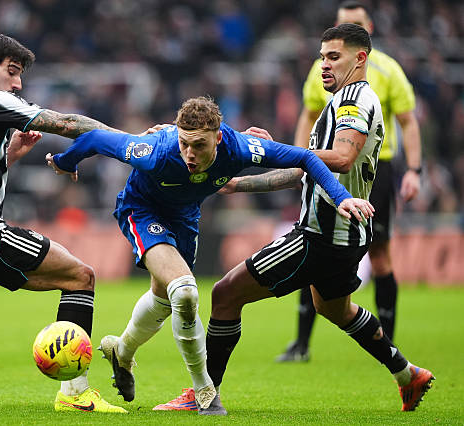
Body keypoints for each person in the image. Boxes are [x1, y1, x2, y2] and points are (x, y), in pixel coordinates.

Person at [157, 24, 433, 413]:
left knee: (224, 294)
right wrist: (241, 184)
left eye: (333, 57)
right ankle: (408, 374)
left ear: (360, 58)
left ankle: (204, 394)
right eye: (322, 57)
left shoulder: (355, 102)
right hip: (345, 234)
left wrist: (271, 148)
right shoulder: (340, 103)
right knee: (335, 309)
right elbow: (304, 168)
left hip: (321, 234)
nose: (324, 65)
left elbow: (341, 157)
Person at [47, 95, 373, 415]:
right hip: (143, 212)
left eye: (199, 145)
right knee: (185, 291)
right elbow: (94, 138)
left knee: (163, 299)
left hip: (185, 218)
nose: (189, 153)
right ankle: (205, 391)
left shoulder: (240, 147)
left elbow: (306, 158)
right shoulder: (155, 152)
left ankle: (122, 350)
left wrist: (341, 197)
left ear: (218, 137)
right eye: (184, 143)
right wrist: (65, 163)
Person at [0, 33, 129, 413]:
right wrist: (132, 141)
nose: (17, 84)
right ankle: (75, 394)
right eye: (11, 72)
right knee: (81, 276)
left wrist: (8, 156)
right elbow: (65, 121)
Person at [277, 0, 422, 363]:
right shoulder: (320, 70)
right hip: (325, 163)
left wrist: (414, 170)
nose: (327, 60)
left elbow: (407, 121)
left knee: (378, 253)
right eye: (342, 23)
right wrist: (299, 161)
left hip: (376, 167)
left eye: (355, 24)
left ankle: (386, 341)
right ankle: (302, 344)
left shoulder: (386, 71)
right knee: (312, 236)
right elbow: (308, 115)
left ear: (367, 30)